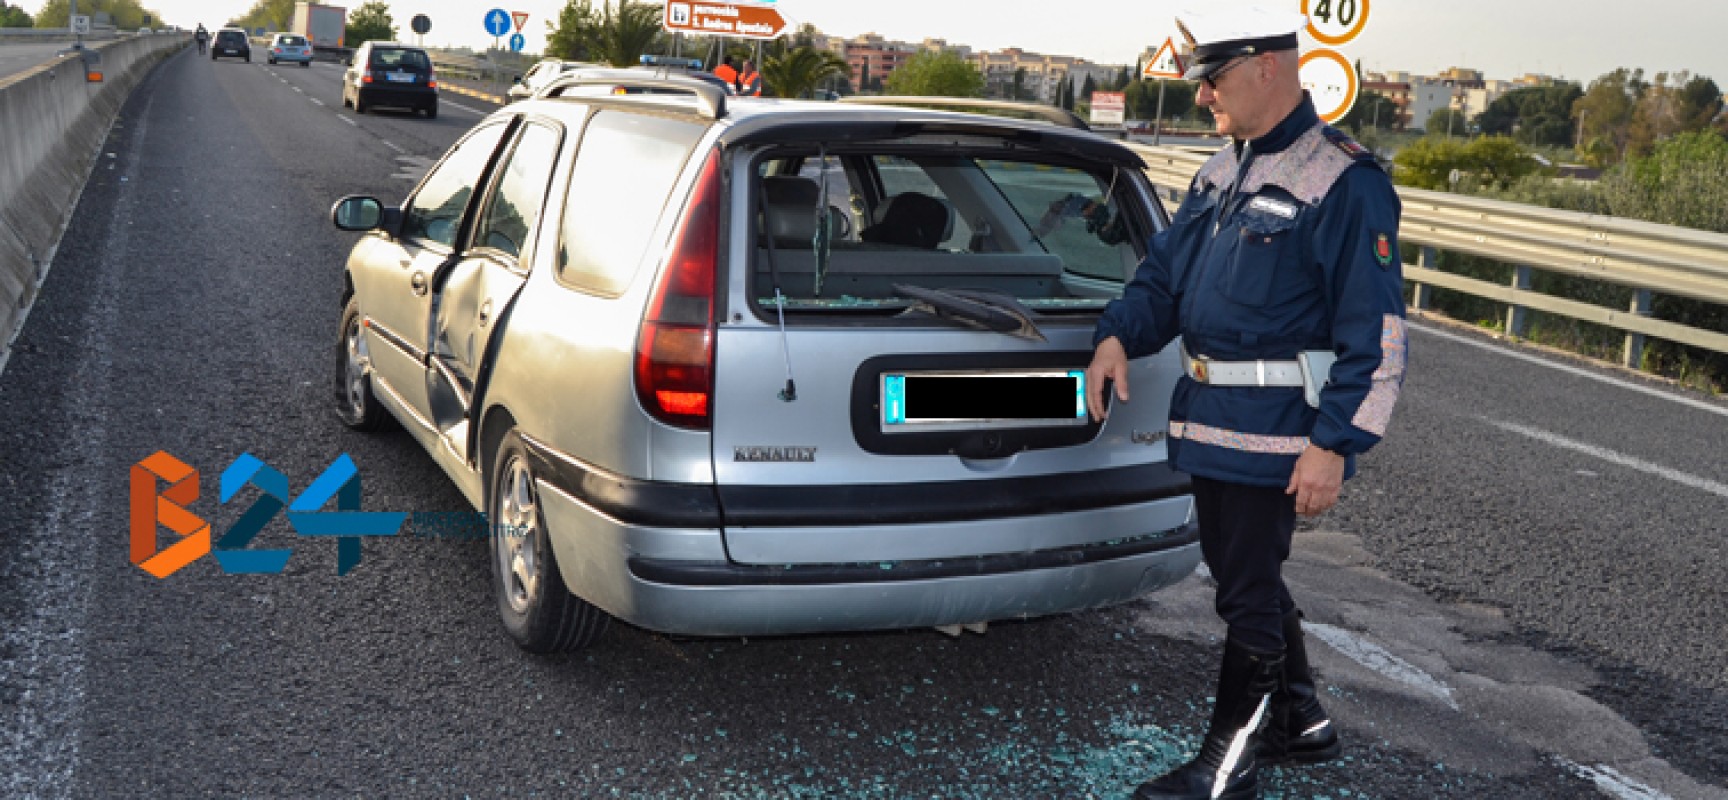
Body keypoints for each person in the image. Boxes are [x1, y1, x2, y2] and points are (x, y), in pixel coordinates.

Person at [1084, 6, 1406, 799]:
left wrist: (1335, 443)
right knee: (1242, 576)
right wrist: (1119, 334)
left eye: (1214, 79)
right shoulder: (1220, 173)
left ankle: (1227, 770)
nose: (1202, 98)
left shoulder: (1343, 181)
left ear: (1267, 66)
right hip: (1209, 421)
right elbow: (1164, 276)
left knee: (1247, 593)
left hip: (1277, 434)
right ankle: (1301, 721)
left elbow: (1378, 335)